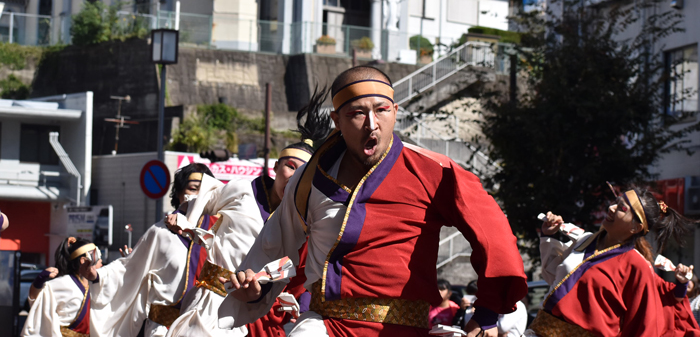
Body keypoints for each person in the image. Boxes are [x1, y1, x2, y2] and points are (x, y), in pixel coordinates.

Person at [219, 66, 527, 337]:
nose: (371, 123)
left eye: (381, 110)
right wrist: (253, 286)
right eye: (356, 113)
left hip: (405, 329)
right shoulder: (309, 178)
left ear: (396, 111)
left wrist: (487, 312)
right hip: (325, 326)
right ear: (336, 120)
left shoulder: (434, 172)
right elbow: (274, 245)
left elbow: (493, 233)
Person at [528, 189, 697, 336]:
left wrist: (681, 284)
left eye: (622, 208)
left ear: (635, 227)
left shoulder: (637, 265)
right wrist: (548, 235)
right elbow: (554, 279)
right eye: (616, 202)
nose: (611, 208)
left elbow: (646, 320)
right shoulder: (585, 240)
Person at [91, 163, 217, 337]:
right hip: (163, 330)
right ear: (179, 193)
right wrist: (98, 277)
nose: (199, 196)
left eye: (205, 191)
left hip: (206, 329)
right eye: (193, 189)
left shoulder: (218, 234)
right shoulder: (159, 233)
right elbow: (129, 269)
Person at [246, 86, 332, 337]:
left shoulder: (310, 223)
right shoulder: (245, 195)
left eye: (302, 172)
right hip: (236, 303)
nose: (294, 177)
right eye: (289, 167)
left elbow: (309, 278)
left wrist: (301, 309)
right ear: (275, 166)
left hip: (284, 319)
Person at [164, 160, 265, 336]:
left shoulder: (226, 222)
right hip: (188, 310)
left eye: (200, 190)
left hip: (230, 310)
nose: (195, 196)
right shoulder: (163, 230)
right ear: (179, 192)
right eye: (192, 188)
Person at [22, 237, 101, 337]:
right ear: (83, 260)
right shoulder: (64, 283)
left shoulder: (95, 284)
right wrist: (39, 281)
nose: (100, 260)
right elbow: (36, 301)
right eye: (96, 255)